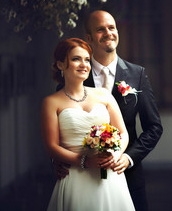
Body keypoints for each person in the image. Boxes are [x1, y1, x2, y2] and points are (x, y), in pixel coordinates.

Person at [55, 10, 163, 211]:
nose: (108, 33)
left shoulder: (137, 74)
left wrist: (128, 158)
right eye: (100, 29)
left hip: (126, 175)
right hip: (82, 177)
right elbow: (61, 124)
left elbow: (154, 127)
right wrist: (58, 159)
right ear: (89, 38)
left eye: (111, 27)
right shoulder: (73, 75)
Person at [41, 37, 135, 211]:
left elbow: (123, 133)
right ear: (61, 64)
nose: (84, 64)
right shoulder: (51, 102)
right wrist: (84, 161)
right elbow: (51, 147)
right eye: (76, 59)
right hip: (75, 175)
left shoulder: (104, 95)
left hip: (109, 176)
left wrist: (115, 155)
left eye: (87, 59)